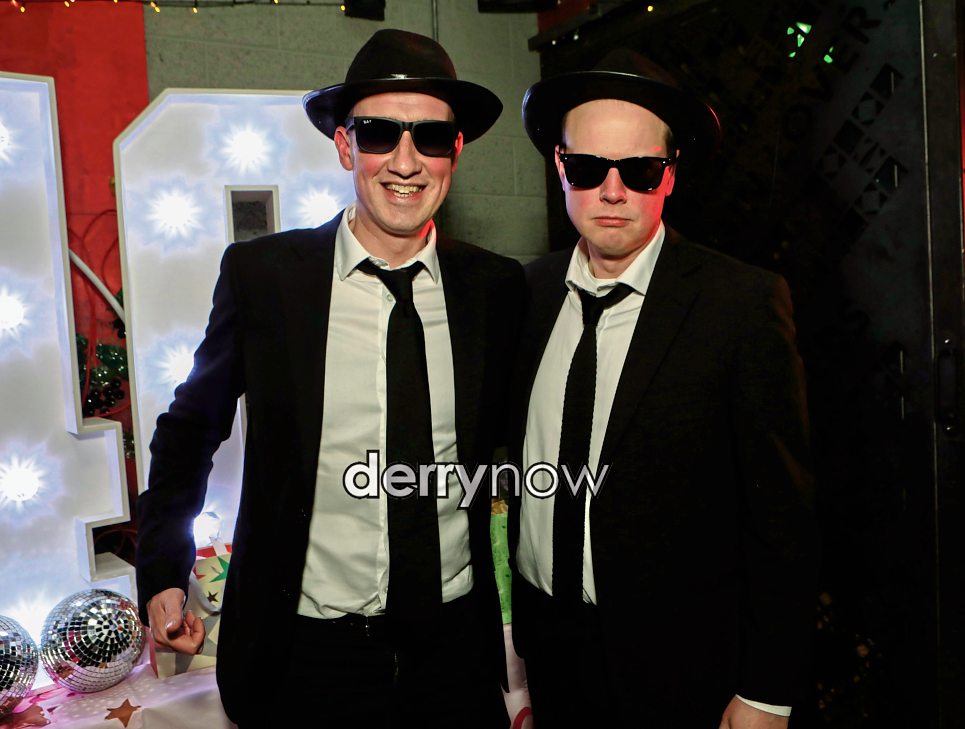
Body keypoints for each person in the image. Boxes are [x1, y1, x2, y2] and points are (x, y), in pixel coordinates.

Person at [135, 29, 523, 728]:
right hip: (305, 659)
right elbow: (189, 428)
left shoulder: (494, 289)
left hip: (452, 657)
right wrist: (164, 568)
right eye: (379, 133)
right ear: (345, 146)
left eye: (431, 137)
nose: (405, 161)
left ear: (456, 152)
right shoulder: (265, 279)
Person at [508, 49, 819, 728]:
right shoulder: (525, 294)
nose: (611, 191)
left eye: (639, 170)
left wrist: (766, 690)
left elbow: (781, 519)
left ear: (670, 174)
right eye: (588, 168)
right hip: (550, 657)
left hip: (681, 671)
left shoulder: (739, 304)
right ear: (560, 166)